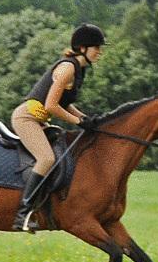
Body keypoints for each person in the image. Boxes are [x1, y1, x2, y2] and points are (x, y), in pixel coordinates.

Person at [10, 24, 105, 231]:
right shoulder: (67, 68)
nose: (100, 52)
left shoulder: (79, 70)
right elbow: (50, 105)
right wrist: (78, 122)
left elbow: (64, 102)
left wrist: (85, 118)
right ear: (82, 48)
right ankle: (22, 214)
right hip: (27, 118)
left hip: (40, 119)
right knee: (47, 158)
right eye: (96, 47)